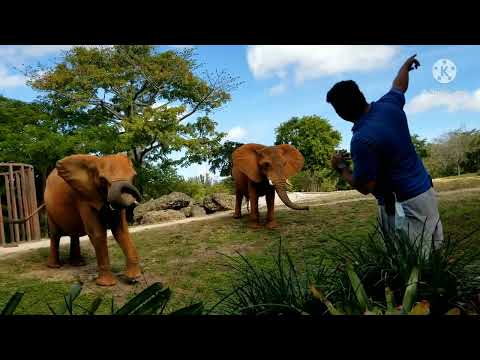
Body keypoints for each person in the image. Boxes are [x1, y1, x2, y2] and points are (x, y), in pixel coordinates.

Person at [326, 54, 443, 253]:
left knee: (412, 267)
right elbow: (399, 86)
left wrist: (341, 168)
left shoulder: (362, 140)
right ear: (361, 94)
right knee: (434, 253)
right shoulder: (388, 105)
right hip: (426, 194)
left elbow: (365, 186)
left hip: (405, 208)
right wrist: (405, 67)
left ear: (341, 113)